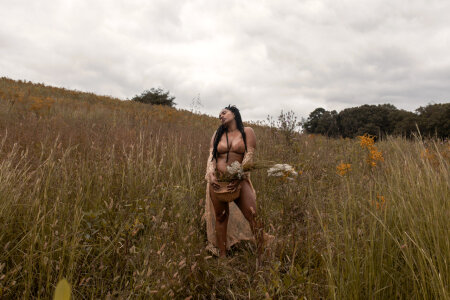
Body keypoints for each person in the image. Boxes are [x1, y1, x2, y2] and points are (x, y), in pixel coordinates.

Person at [203, 105, 273, 258]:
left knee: (253, 214)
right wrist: (211, 174)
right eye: (219, 114)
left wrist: (239, 175)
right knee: (221, 216)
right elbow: (212, 157)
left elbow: (249, 156)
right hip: (218, 181)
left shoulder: (247, 131)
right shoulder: (217, 134)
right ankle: (222, 256)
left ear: (234, 113)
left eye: (224, 112)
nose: (220, 116)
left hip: (239, 180)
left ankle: (262, 254)